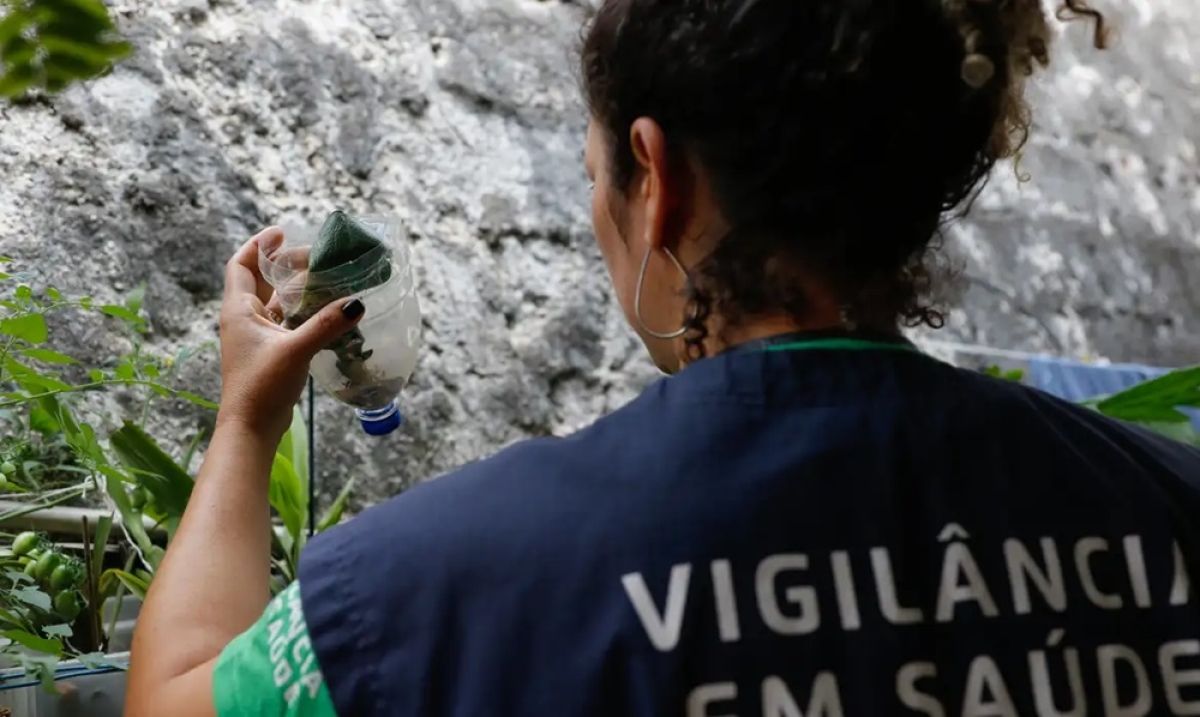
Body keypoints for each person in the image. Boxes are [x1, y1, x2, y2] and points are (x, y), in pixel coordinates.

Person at [124, 1, 1200, 715]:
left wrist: (245, 420)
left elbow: (174, 694)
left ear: (658, 177)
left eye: (600, 172)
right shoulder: (1169, 504)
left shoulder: (424, 592)